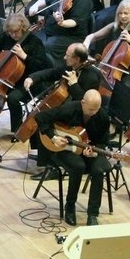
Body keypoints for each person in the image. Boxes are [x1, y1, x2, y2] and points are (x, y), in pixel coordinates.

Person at [33, 89, 114, 226]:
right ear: (83, 103)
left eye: (96, 109)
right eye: (90, 109)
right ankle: (70, 207)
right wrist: (53, 137)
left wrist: (94, 152)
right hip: (63, 148)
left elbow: (102, 142)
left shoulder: (103, 117)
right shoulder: (69, 109)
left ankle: (93, 214)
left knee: (99, 170)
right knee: (78, 166)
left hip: (89, 150)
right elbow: (40, 117)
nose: (93, 113)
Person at [84, 0, 130, 130]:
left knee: (121, 91)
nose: (122, 16)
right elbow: (93, 36)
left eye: (126, 13)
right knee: (91, 80)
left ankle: (116, 123)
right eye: (120, 13)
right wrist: (86, 43)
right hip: (109, 67)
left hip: (129, 71)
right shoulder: (113, 26)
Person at [27, 0, 93, 57]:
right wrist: (35, 5)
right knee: (31, 39)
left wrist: (61, 22)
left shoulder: (84, 0)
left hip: (69, 36)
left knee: (45, 46)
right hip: (51, 30)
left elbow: (74, 22)